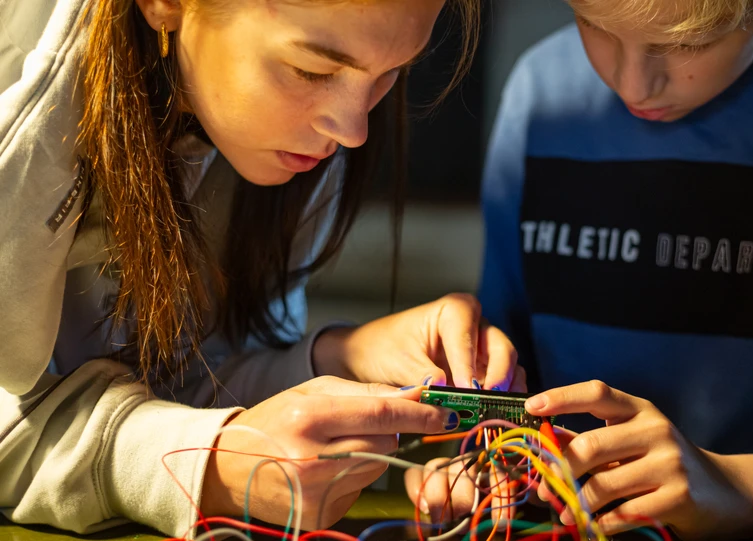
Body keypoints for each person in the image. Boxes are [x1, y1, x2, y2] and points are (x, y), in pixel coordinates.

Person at [409, 0, 753, 538]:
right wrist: (481, 464)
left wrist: (744, 488)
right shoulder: (541, 91)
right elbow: (501, 392)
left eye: (685, 42)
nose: (632, 85)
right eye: (592, 24)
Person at [0, 0, 523, 536]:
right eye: (312, 71)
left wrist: (342, 358)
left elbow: (179, 379)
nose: (353, 130)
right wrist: (202, 461)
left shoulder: (284, 146)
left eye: (393, 73)